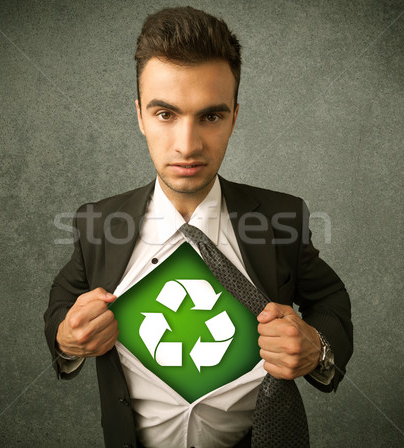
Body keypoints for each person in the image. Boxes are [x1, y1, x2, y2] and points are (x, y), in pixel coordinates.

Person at [44, 6, 352, 448]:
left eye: (210, 116)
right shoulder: (97, 224)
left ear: (234, 117)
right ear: (139, 116)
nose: (187, 146)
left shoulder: (282, 219)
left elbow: (330, 299)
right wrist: (67, 339)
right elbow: (62, 302)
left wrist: (317, 347)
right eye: (165, 114)